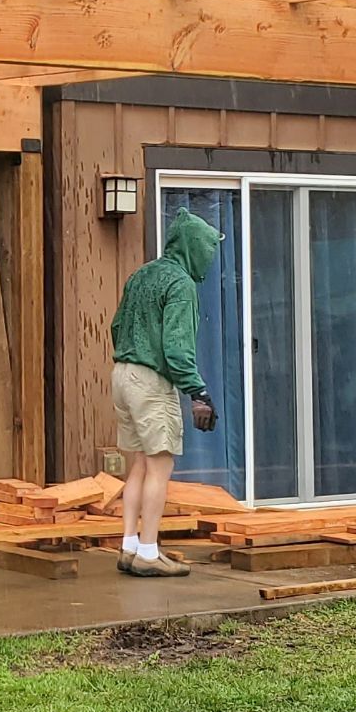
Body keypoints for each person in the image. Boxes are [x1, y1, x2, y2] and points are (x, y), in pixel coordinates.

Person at [108, 208, 220, 576]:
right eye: (207, 249)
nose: (209, 258)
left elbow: (117, 325)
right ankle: (148, 553)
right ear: (193, 247)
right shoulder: (180, 284)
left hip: (122, 375)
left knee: (139, 464)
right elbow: (176, 347)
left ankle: (129, 546)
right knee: (161, 465)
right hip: (151, 381)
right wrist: (197, 391)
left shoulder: (142, 274)